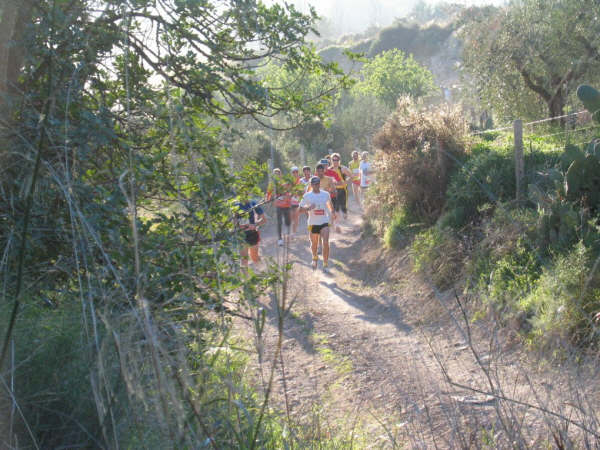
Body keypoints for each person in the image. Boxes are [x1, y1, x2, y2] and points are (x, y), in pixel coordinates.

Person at [299, 176, 336, 271]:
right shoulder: (307, 196)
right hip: (313, 223)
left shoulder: (325, 194)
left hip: (324, 221)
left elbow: (329, 204)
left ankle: (325, 264)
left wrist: (332, 212)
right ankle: (314, 257)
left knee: (326, 242)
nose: (316, 185)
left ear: (319, 184)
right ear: (311, 185)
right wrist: (308, 208)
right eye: (314, 184)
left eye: (318, 183)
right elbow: (299, 210)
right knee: (314, 243)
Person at [235, 198, 267, 269]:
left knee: (254, 257)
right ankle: (245, 279)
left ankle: (264, 272)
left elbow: (264, 220)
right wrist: (239, 226)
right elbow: (233, 223)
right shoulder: (235, 205)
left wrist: (255, 225)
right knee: (244, 260)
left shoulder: (253, 203)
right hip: (241, 235)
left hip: (252, 234)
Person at [267, 168, 291, 246]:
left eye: (278, 173)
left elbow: (288, 191)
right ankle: (280, 238)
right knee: (279, 222)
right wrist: (269, 199)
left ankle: (288, 232)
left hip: (286, 204)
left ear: (280, 174)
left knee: (287, 221)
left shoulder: (284, 182)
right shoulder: (271, 184)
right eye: (275, 174)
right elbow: (268, 194)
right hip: (278, 205)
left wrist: (286, 196)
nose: (276, 175)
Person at [329, 152, 353, 220]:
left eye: (336, 160)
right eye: (333, 160)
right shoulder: (329, 169)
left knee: (343, 206)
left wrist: (346, 182)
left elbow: (351, 176)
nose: (335, 161)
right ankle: (338, 223)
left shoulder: (342, 168)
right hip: (333, 190)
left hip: (342, 190)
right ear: (331, 160)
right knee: (335, 207)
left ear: (339, 160)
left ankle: (346, 220)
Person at [290, 166, 301, 233]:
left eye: (296, 172)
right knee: (291, 218)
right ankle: (291, 232)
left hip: (297, 202)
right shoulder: (289, 181)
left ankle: (294, 232)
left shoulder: (300, 180)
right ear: (291, 173)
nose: (295, 173)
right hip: (290, 202)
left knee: (296, 219)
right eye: (293, 172)